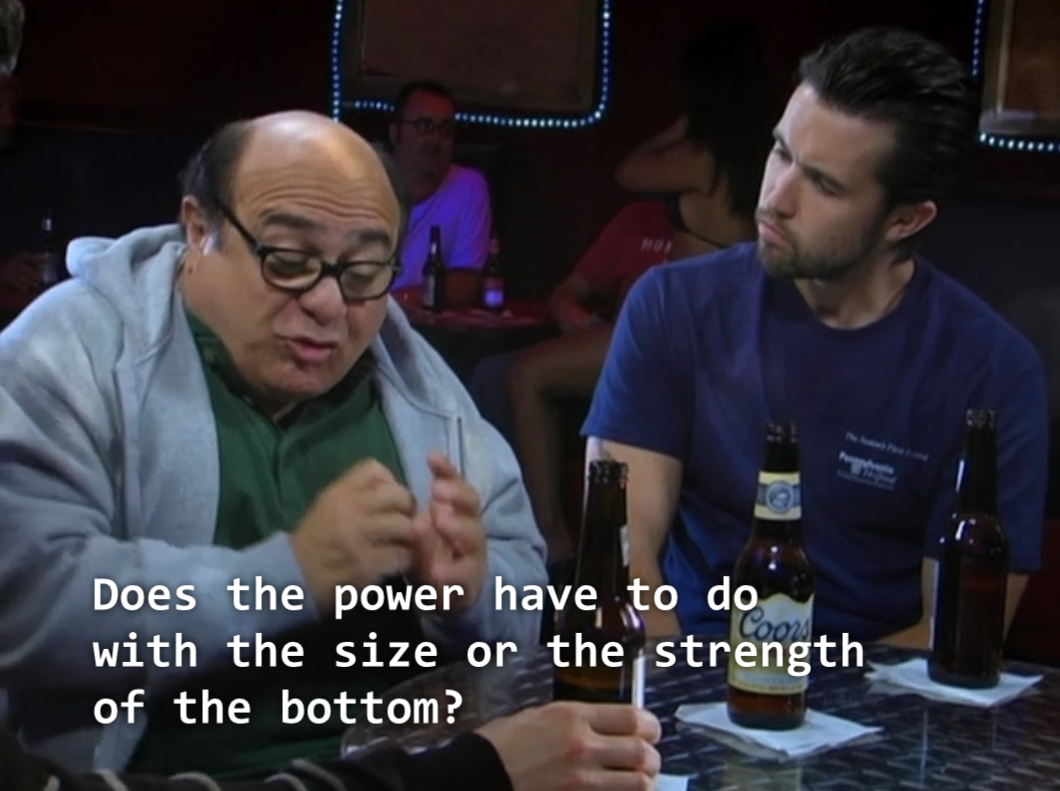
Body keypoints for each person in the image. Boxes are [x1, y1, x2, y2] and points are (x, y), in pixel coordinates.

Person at [0, 110, 546, 778]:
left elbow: (526, 597)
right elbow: (27, 606)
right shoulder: (69, 353)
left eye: (363, 271)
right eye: (288, 261)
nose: (327, 303)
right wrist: (291, 574)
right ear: (198, 229)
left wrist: (474, 593)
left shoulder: (415, 376)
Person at [583, 27, 1049, 646]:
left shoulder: (991, 372)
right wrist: (673, 681)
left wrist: (792, 696)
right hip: (691, 666)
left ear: (906, 219)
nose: (776, 199)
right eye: (781, 152)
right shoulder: (672, 306)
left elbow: (956, 639)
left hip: (879, 691)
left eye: (824, 185)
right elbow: (622, 557)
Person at [470, 201, 673, 561]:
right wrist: (571, 314)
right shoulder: (637, 217)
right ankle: (512, 536)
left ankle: (553, 543)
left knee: (527, 374)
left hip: (653, 345)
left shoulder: (713, 223)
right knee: (492, 374)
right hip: (610, 343)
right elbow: (568, 292)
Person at [2, 703, 662, 791]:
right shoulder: (69, 372)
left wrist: (467, 596)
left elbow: (510, 616)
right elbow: (41, 607)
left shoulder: (435, 399)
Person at [614, 20, 774, 262]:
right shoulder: (765, 148)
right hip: (739, 277)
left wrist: (680, 129)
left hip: (703, 282)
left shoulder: (706, 159)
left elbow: (626, 173)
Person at [386, 80, 492, 290]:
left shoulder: (469, 187)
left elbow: (467, 282)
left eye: (445, 129)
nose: (435, 140)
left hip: (420, 311)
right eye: (424, 126)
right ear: (395, 132)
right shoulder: (367, 181)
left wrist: (400, 302)